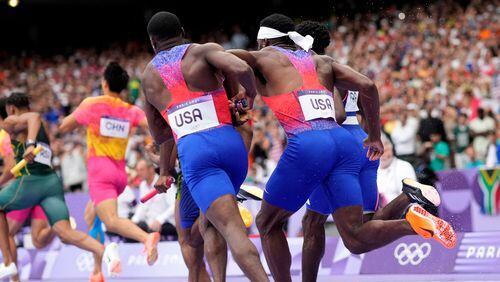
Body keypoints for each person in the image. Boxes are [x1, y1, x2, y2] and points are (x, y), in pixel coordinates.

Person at [229, 15, 455, 282]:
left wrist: (244, 94)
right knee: (356, 236)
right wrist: (374, 136)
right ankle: (413, 223)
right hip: (348, 145)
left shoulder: (263, 57)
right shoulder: (321, 62)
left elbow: (222, 59)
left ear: (264, 40)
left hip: (311, 143)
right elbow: (368, 86)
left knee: (270, 223)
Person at [292, 21, 441, 282]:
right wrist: (372, 136)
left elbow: (336, 115)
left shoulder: (315, 70)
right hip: (360, 144)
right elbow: (367, 102)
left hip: (333, 146)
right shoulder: (345, 69)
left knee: (313, 223)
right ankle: (407, 198)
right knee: (367, 225)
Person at [142, 12, 268, 281]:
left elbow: (163, 136)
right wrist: (249, 98)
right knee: (209, 223)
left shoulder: (149, 77)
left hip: (197, 154)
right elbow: (243, 69)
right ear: (183, 30)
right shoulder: (203, 51)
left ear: (153, 42)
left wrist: (165, 172)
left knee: (231, 229)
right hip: (232, 145)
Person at [0, 93, 120, 281]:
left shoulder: (12, 121)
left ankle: (8, 264)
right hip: (51, 183)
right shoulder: (42, 127)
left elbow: (33, 117)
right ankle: (105, 252)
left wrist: (29, 145)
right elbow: (34, 119)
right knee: (65, 233)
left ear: (11, 109)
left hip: (32, 180)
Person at [59, 62, 160, 266]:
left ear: (104, 83)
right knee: (90, 216)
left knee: (111, 220)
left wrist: (83, 119)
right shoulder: (131, 110)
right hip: (119, 175)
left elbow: (63, 127)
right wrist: (155, 144)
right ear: (122, 87)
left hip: (100, 173)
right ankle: (98, 270)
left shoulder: (92, 104)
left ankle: (146, 238)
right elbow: (154, 127)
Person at [0, 98, 55, 282]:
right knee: (38, 239)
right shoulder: (37, 128)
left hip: (26, 186)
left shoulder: (5, 133)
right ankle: (58, 226)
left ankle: (13, 275)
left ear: (10, 110)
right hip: (45, 184)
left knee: (6, 233)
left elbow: (11, 168)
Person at [133, 159, 177, 240]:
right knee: (133, 229)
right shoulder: (143, 185)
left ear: (151, 169)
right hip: (149, 224)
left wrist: (160, 220)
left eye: (141, 170)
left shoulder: (164, 183)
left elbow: (174, 206)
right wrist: (133, 222)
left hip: (166, 223)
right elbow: (142, 206)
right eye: (137, 170)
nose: (139, 173)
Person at [377, 135, 418, 204]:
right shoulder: (370, 170)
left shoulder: (404, 166)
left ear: (392, 147)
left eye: (386, 148)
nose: (383, 153)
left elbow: (412, 199)